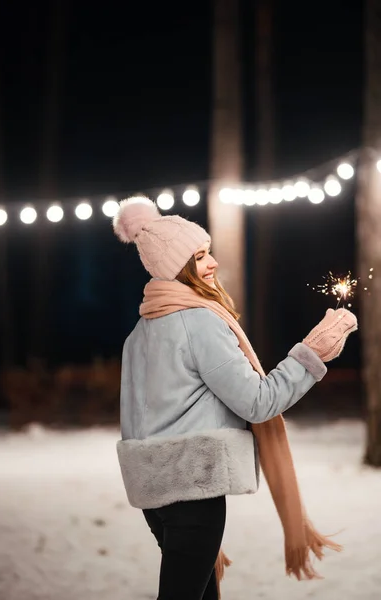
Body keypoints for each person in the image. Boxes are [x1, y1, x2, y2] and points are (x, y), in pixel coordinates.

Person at [113, 197, 358, 600]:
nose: (212, 264)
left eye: (208, 252)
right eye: (200, 257)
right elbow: (258, 402)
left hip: (155, 495)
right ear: (177, 268)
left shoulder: (140, 333)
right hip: (192, 492)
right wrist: (313, 352)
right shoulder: (199, 321)